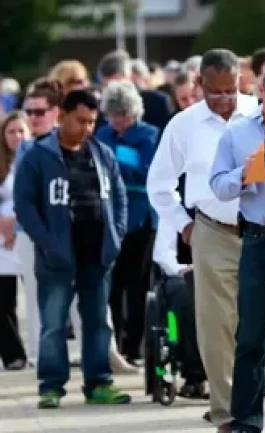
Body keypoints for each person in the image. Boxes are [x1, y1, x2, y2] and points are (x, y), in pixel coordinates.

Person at [146, 49, 258, 433]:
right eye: (216, 92)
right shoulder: (184, 125)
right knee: (216, 327)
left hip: (261, 231)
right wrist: (184, 226)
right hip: (211, 231)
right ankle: (226, 413)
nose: (225, 99)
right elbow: (159, 185)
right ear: (200, 85)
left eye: (232, 90)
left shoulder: (259, 115)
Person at [13, 89, 130, 408]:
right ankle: (51, 386)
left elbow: (119, 199)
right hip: (56, 255)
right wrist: (48, 243)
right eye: (80, 120)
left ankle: (99, 383)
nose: (87, 128)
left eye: (92, 121)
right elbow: (25, 205)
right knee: (53, 323)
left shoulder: (102, 153)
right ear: (62, 116)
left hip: (97, 252)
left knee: (97, 321)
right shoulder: (38, 155)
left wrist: (116, 237)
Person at [209, 61, 265, 433]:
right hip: (260, 238)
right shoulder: (238, 132)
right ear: (262, 92)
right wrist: (245, 174)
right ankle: (246, 420)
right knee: (252, 336)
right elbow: (217, 185)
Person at [94, 80, 159, 365]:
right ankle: (115, 346)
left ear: (134, 113)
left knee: (137, 285)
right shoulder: (101, 134)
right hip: (108, 219)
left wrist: (114, 164)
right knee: (113, 285)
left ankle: (136, 346)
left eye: (123, 115)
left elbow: (148, 172)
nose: (118, 121)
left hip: (141, 220)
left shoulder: (149, 134)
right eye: (113, 115)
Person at [152, 216, 207, 398]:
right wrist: (182, 268)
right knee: (185, 292)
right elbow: (163, 253)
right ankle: (194, 373)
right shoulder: (174, 210)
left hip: (221, 271)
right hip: (181, 273)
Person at [0, 111, 30, 370]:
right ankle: (13, 355)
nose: (17, 137)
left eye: (21, 131)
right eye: (11, 132)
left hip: (27, 233)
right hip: (1, 240)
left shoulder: (34, 159)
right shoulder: (3, 163)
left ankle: (43, 354)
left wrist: (16, 222)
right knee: (3, 299)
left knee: (35, 298)